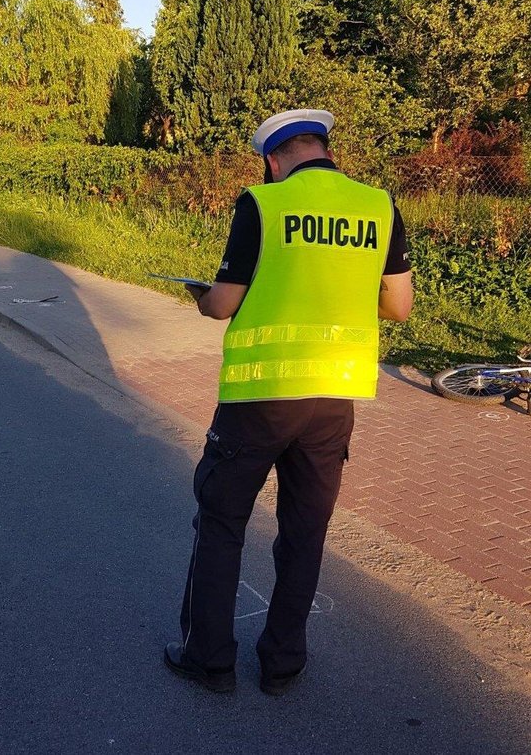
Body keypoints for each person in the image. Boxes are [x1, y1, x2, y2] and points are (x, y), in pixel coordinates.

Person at [164, 109, 413, 696]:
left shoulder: (263, 203)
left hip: (260, 397)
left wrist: (203, 298)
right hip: (333, 401)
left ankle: (211, 660)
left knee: (222, 521)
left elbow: (225, 303)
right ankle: (282, 664)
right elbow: (398, 307)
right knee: (305, 532)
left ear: (273, 161)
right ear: (323, 149)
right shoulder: (378, 205)